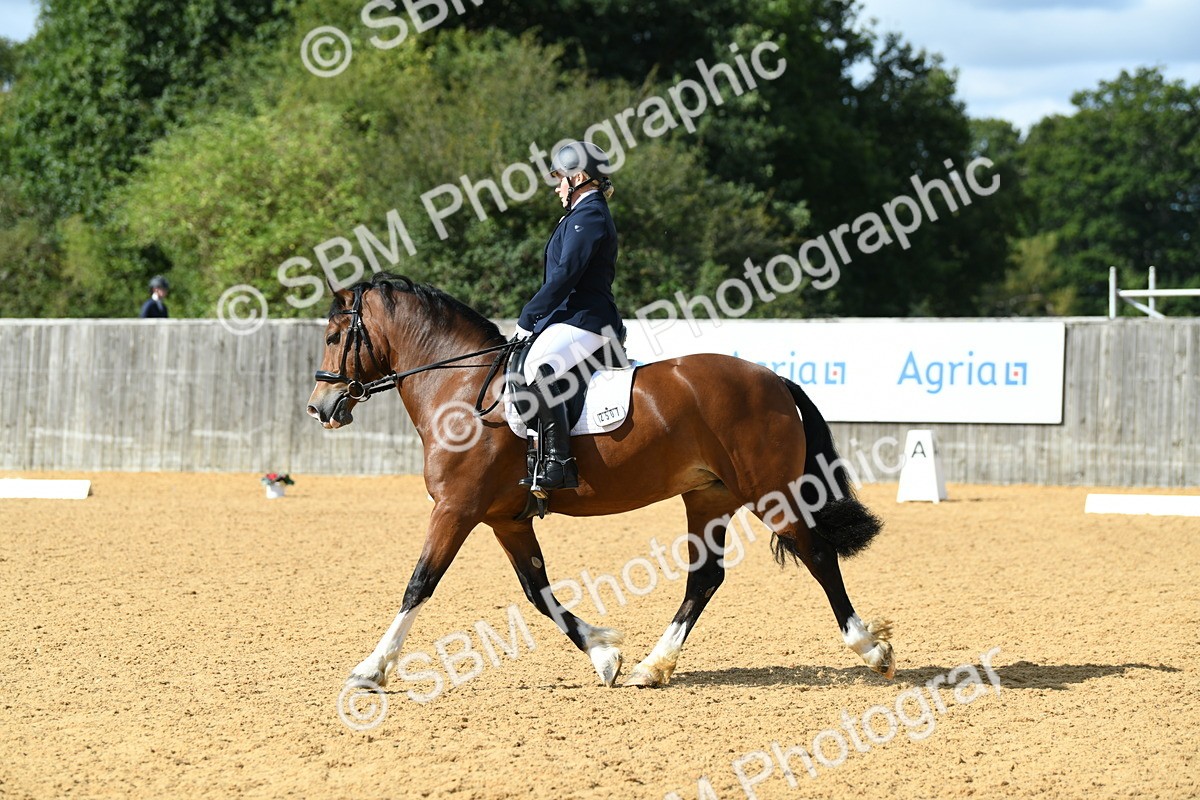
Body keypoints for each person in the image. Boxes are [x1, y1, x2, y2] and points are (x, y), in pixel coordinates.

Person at [514, 140, 623, 495]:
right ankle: (537, 456)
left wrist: (528, 317)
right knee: (525, 365)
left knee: (539, 368)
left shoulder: (589, 215)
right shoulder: (579, 216)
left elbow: (565, 275)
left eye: (560, 178)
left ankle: (559, 464)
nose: (557, 186)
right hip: (571, 318)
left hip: (588, 320)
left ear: (578, 177)